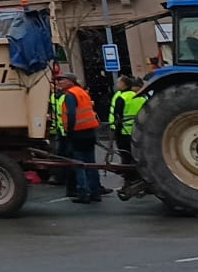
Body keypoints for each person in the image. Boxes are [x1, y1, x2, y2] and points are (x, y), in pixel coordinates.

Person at [56, 73, 103, 203]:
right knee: (91, 164)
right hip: (89, 132)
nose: (59, 82)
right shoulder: (81, 92)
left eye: (62, 80)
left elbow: (71, 114)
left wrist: (69, 131)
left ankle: (83, 193)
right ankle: (95, 192)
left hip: (78, 133)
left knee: (79, 164)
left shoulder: (70, 95)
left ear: (70, 81)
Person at [108, 75, 145, 164]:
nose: (117, 84)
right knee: (136, 153)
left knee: (125, 154)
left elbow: (118, 115)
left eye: (119, 82)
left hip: (123, 131)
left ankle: (128, 174)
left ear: (123, 84)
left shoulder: (122, 97)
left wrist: (116, 130)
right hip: (138, 130)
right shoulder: (140, 96)